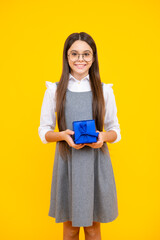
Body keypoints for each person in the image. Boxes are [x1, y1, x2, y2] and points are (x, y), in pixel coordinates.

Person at [38, 32, 121, 240]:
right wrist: (62, 136)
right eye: (74, 54)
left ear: (93, 58)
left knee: (93, 229)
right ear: (67, 57)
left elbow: (115, 131)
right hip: (68, 163)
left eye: (86, 54)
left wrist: (103, 137)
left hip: (95, 163)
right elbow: (44, 131)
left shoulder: (104, 91)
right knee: (71, 229)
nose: (80, 59)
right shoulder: (54, 91)